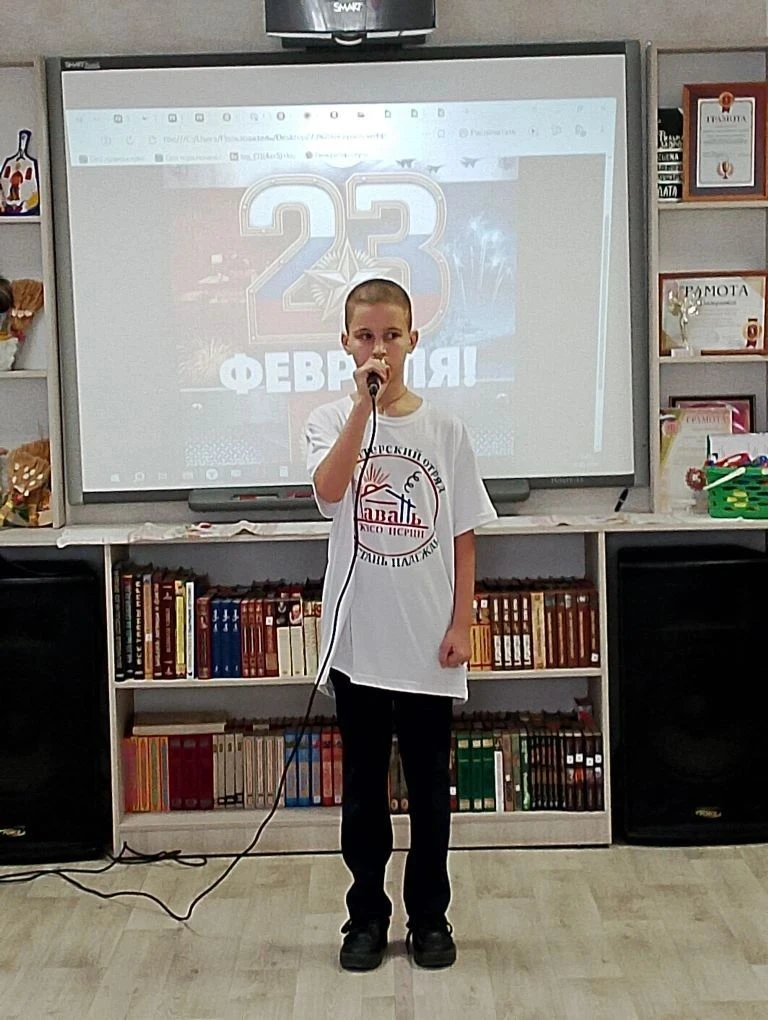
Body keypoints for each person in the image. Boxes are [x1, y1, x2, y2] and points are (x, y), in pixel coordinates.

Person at [305, 278, 497, 972]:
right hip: (360, 644)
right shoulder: (331, 419)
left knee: (428, 791)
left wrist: (462, 623)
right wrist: (364, 406)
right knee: (363, 792)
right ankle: (365, 916)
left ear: (413, 340)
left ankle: (430, 917)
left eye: (391, 335)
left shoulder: (446, 430)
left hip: (426, 643)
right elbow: (329, 491)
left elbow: (464, 535)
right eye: (365, 336)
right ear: (346, 343)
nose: (378, 348)